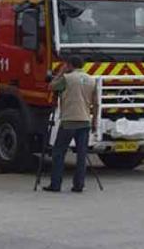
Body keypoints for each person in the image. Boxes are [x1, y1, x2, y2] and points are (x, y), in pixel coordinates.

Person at [43, 56, 98, 193]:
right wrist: (94, 121)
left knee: (59, 153)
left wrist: (61, 72)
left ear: (69, 65)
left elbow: (51, 87)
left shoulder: (67, 79)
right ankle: (79, 185)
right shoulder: (91, 80)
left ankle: (55, 184)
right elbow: (96, 103)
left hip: (68, 121)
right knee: (81, 155)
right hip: (85, 121)